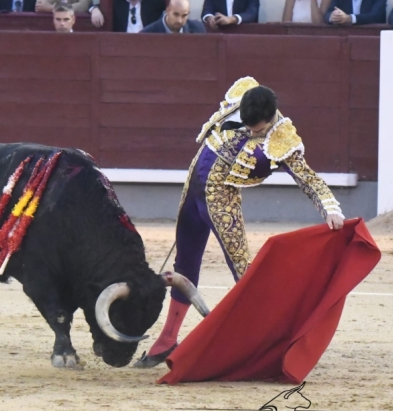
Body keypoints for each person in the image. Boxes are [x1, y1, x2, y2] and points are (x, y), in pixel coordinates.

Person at [133, 76, 346, 368]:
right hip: (193, 185)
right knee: (185, 264)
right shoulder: (242, 96)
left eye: (254, 127)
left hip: (221, 201)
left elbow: (307, 178)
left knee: (244, 274)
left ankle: (263, 346)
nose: (248, 129)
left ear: (270, 120)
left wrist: (330, 206)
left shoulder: (281, 138)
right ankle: (168, 338)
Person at [89, 0, 166, 32]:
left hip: (148, 45)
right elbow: (94, 5)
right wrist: (94, 9)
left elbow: (171, 6)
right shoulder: (117, 2)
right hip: (122, 46)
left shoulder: (154, 2)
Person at [141, 0, 206, 32]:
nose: (179, 20)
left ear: (188, 13)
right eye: (176, 14)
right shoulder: (148, 33)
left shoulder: (198, 30)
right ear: (167, 11)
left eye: (184, 15)